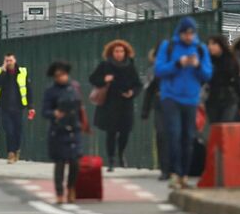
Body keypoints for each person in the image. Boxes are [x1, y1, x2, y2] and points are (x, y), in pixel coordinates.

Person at [155, 16, 213, 189]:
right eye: (185, 33)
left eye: (191, 33)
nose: (188, 37)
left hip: (191, 98)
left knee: (188, 137)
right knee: (174, 134)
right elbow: (159, 70)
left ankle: (184, 175)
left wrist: (197, 65)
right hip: (171, 96)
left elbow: (207, 74)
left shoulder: (200, 48)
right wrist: (178, 63)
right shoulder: (168, 46)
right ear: (179, 33)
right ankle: (175, 172)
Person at [89, 39, 142, 172]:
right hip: (110, 103)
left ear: (126, 52)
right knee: (111, 132)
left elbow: (138, 84)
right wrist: (104, 79)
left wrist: (132, 92)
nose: (119, 54)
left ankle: (121, 153)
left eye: (121, 51)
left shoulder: (130, 66)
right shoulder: (105, 65)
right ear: (111, 53)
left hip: (126, 103)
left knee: (125, 132)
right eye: (116, 51)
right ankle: (111, 160)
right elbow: (93, 79)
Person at [42, 60, 88, 204]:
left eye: (63, 74)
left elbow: (80, 107)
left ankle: (71, 188)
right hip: (58, 130)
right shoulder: (50, 91)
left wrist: (83, 124)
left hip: (74, 128)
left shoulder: (74, 87)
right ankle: (59, 192)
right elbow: (44, 111)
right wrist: (54, 113)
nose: (61, 77)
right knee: (60, 162)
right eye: (57, 75)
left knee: (75, 162)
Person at [0, 53, 34, 163]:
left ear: (15, 60)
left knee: (18, 131)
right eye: (7, 61)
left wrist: (30, 106)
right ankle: (10, 153)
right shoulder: (0, 72)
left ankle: (17, 149)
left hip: (18, 107)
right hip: (5, 107)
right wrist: (3, 71)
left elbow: (28, 89)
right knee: (9, 131)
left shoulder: (22, 72)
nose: (9, 63)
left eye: (10, 60)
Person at [141, 49, 170, 181]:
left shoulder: (180, 69)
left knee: (175, 136)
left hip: (178, 106)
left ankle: (176, 168)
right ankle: (164, 168)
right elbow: (149, 90)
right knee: (161, 135)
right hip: (160, 106)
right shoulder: (157, 72)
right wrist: (145, 110)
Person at [205, 35, 240, 124]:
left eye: (213, 44)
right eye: (209, 44)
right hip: (212, 99)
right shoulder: (207, 61)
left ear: (221, 45)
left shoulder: (231, 61)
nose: (210, 47)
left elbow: (237, 83)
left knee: (225, 125)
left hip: (229, 100)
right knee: (214, 126)